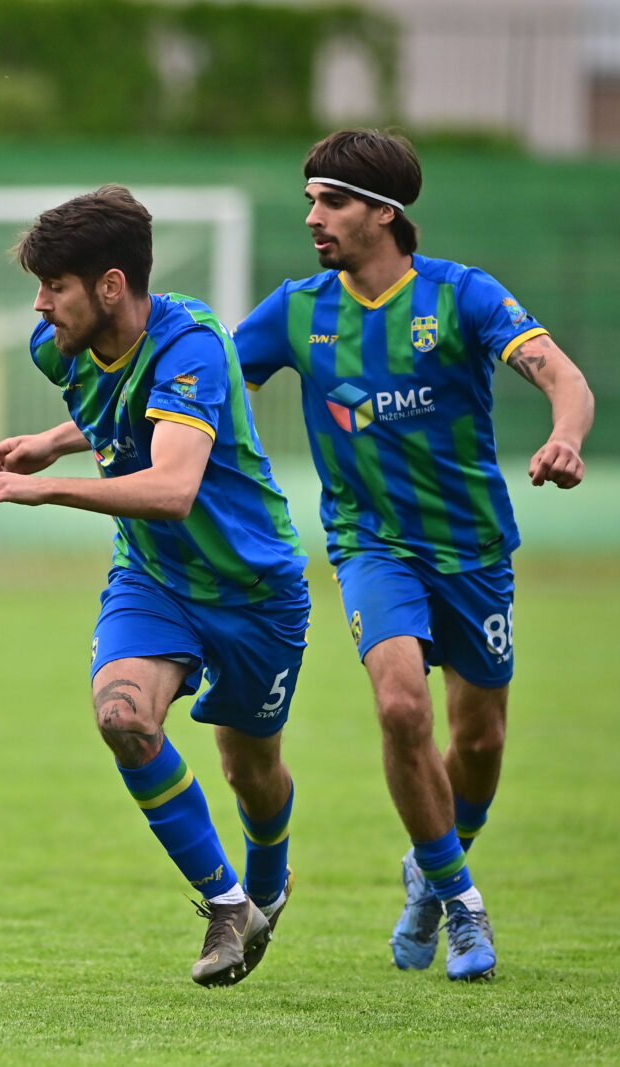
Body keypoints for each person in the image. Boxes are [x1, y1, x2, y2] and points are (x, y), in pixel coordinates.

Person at [232, 129, 594, 982]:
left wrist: (567, 438)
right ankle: (462, 900)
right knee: (401, 708)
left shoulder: (461, 295)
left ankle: (431, 871)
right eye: (311, 200)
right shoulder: (295, 310)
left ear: (384, 213)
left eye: (332, 201)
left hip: (473, 549)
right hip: (371, 546)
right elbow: (190, 388)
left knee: (482, 739)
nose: (313, 216)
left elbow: (564, 377)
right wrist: (63, 440)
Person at [0, 185, 309, 987]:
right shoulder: (57, 344)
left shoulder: (194, 344)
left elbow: (173, 487)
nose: (41, 305)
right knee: (121, 715)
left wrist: (42, 488)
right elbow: (113, 403)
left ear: (112, 286)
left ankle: (267, 886)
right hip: (153, 576)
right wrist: (55, 440)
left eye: (56, 286)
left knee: (251, 771)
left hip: (254, 587)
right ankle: (226, 902)